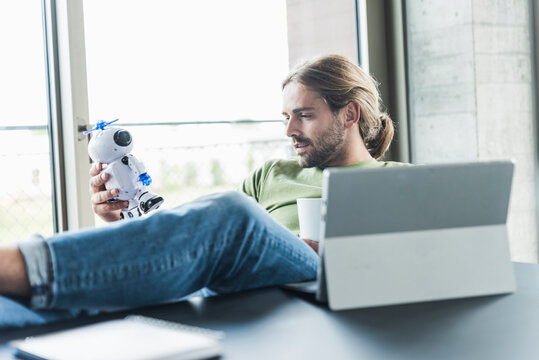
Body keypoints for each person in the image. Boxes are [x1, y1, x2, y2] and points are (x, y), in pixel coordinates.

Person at [0, 54, 407, 329]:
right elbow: (207, 242)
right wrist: (122, 217)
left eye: (303, 116)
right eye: (285, 117)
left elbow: (421, 259)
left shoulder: (399, 179)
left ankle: (19, 264)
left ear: (349, 113)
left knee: (232, 212)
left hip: (316, 280)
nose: (289, 131)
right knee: (223, 219)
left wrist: (339, 251)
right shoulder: (273, 173)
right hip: (235, 285)